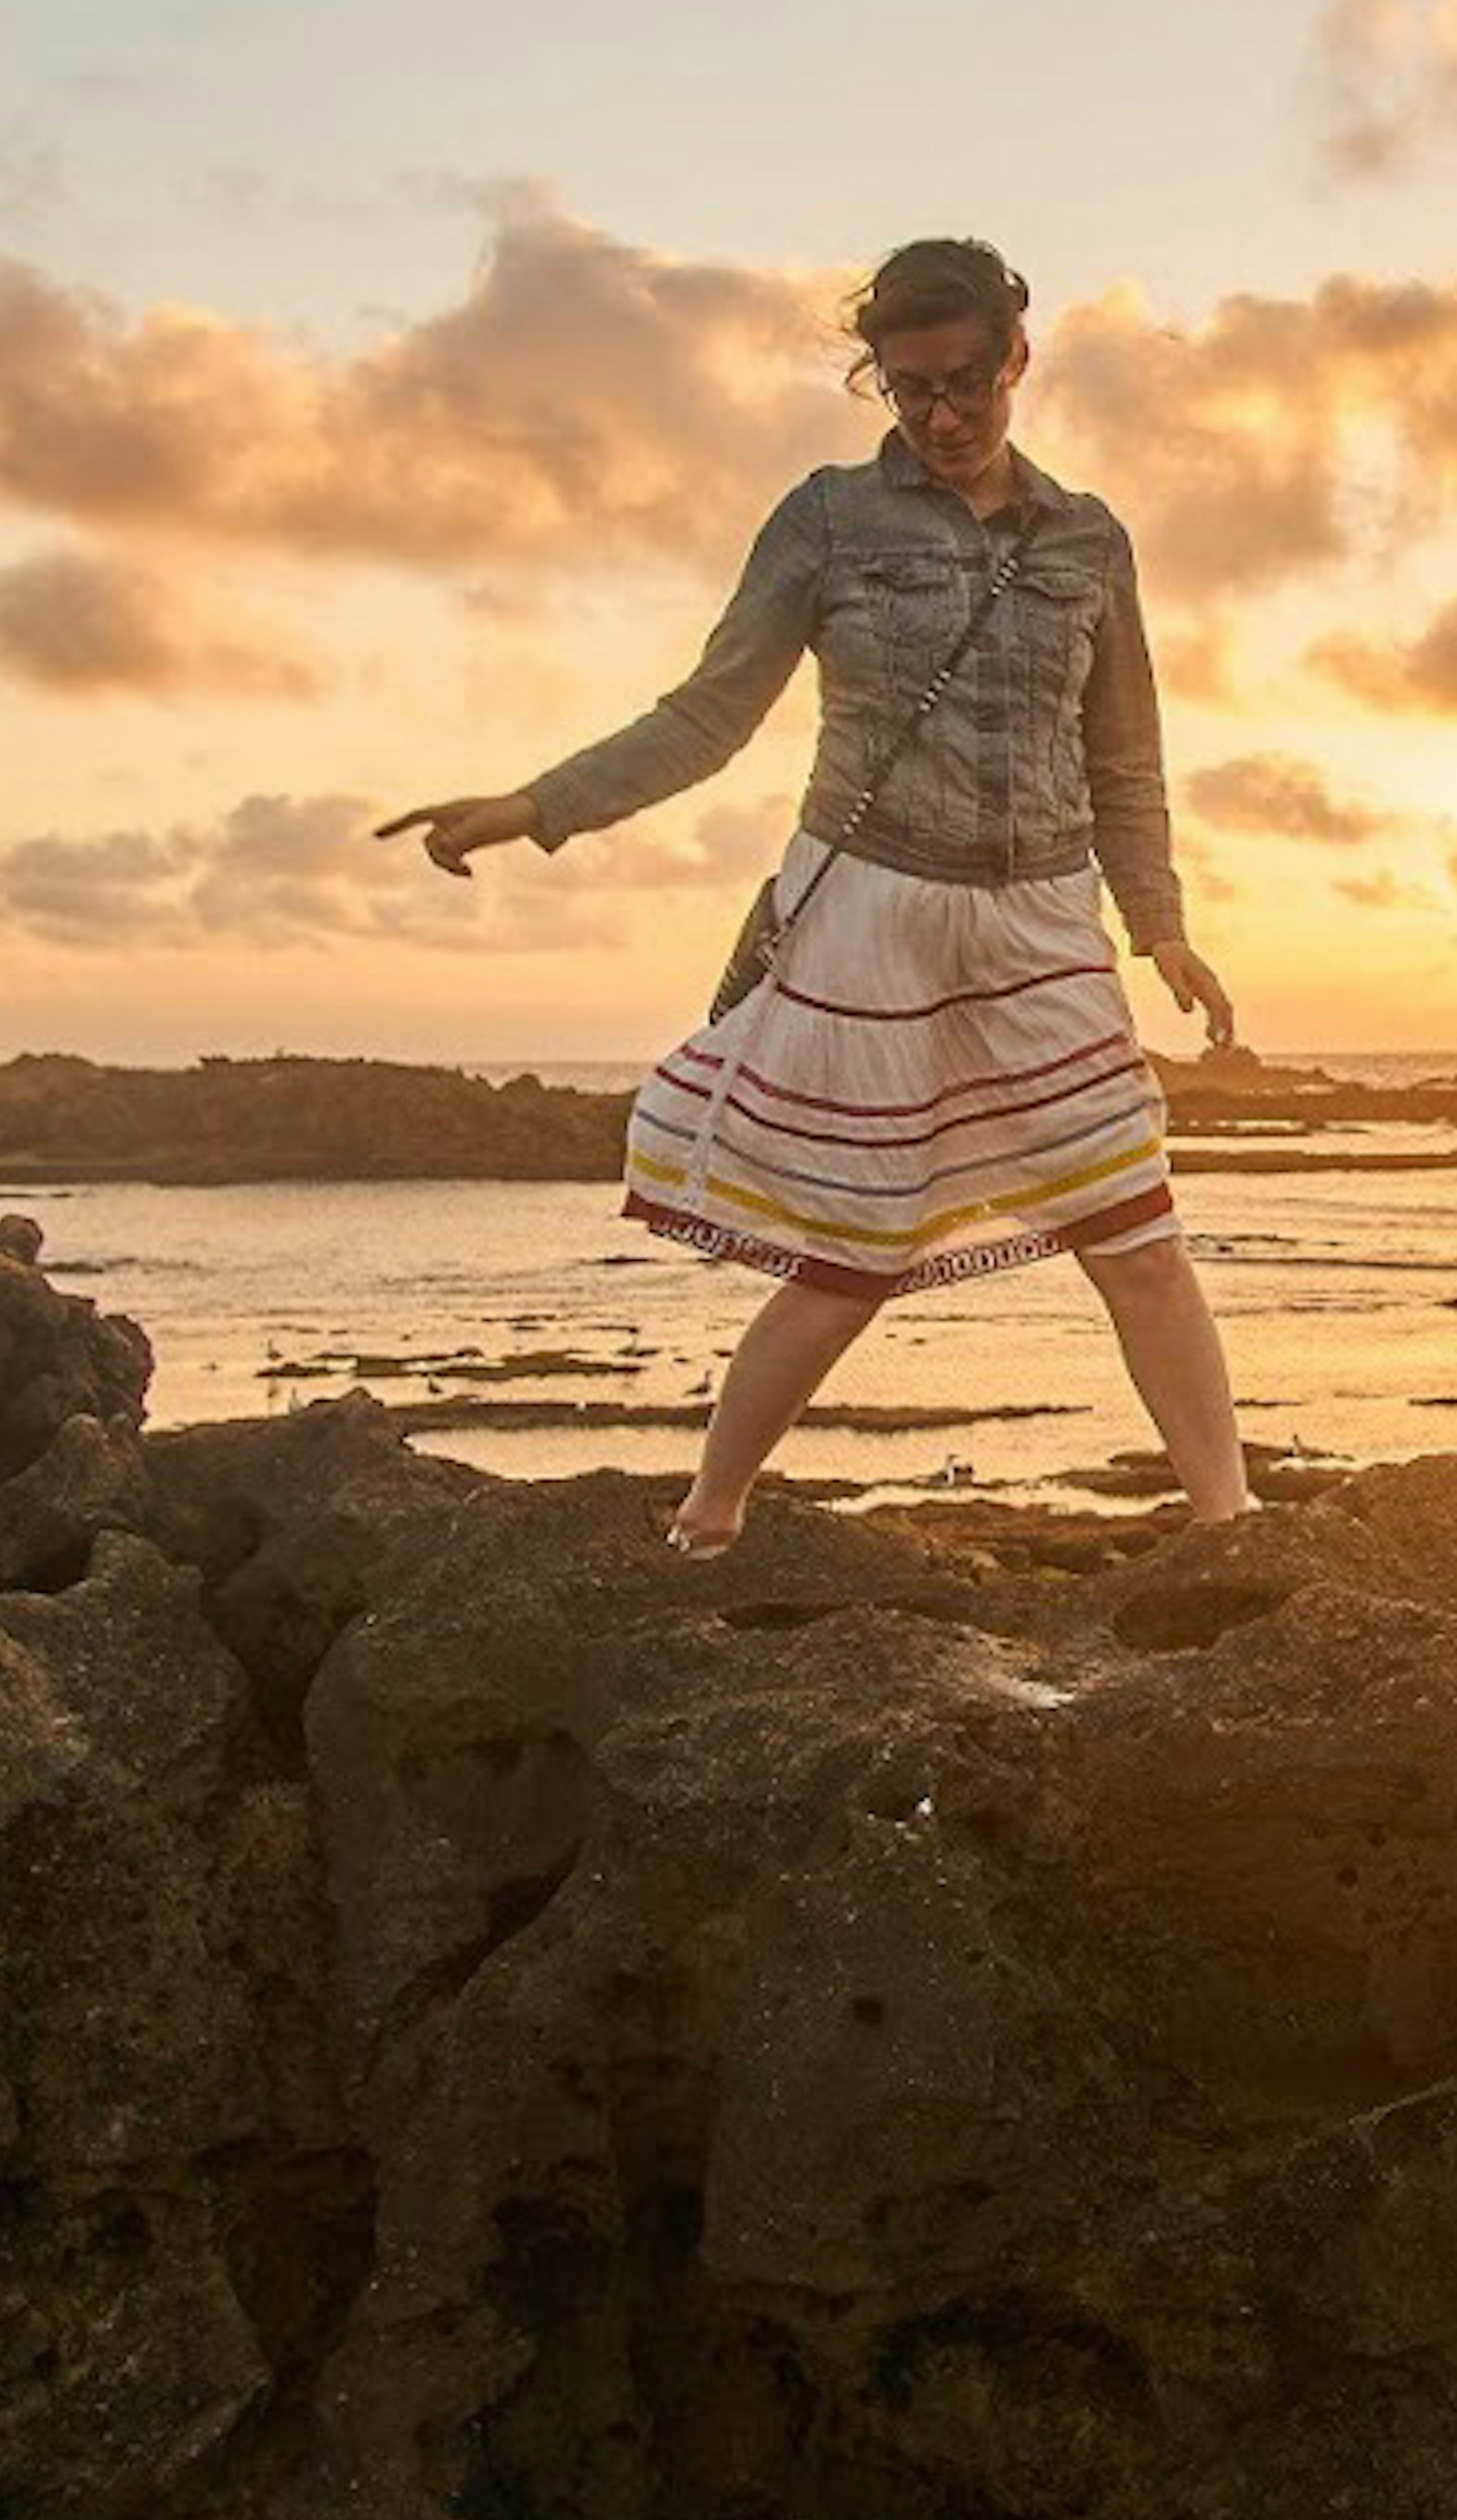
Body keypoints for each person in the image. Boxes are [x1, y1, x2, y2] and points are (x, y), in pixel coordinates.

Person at [377, 234, 1255, 1556]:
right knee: (851, 1255)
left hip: (1043, 916)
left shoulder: (1089, 539)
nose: (945, 418)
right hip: (875, 916)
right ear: (881, 383)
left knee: (1134, 1229)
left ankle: (1232, 1522)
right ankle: (710, 1517)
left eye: (968, 383)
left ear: (1018, 356)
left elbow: (1125, 756)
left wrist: (1164, 929)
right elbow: (709, 714)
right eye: (912, 391)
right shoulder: (830, 519)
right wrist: (538, 807)